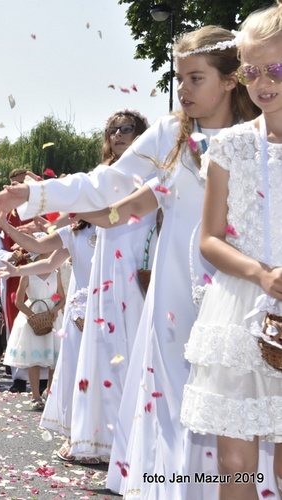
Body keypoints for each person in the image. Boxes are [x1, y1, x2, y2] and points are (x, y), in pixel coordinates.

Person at [73, 28, 262, 498]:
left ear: (230, 80)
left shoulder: (256, 139)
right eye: (180, 79)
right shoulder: (171, 138)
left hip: (239, 288)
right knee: (177, 403)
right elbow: (123, 201)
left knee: (242, 408)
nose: (183, 90)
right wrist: (52, 199)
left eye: (195, 78)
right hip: (174, 288)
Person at [0, 109, 153, 464]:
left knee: (133, 361)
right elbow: (60, 230)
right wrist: (35, 209)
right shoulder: (98, 184)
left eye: (128, 129)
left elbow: (106, 209)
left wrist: (51, 199)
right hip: (100, 294)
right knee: (98, 365)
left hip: (136, 283)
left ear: (143, 136)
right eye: (112, 130)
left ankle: (133, 445)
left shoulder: (150, 175)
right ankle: (97, 442)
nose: (119, 135)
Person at [180, 7, 282, 498]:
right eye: (253, 71)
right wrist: (260, 274)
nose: (263, 83)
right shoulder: (231, 146)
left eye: (276, 69)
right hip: (240, 306)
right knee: (234, 460)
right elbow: (210, 239)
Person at [0, 218, 96, 463]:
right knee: (77, 369)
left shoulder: (116, 223)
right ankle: (77, 435)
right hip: (80, 310)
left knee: (103, 371)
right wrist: (7, 229)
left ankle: (106, 437)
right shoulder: (74, 230)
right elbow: (43, 252)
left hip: (111, 303)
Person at [0, 168, 37, 393]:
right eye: (12, 185)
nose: (16, 189)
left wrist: (33, 251)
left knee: (43, 317)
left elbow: (56, 234)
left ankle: (44, 374)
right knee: (16, 321)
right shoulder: (2, 213)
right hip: (15, 273)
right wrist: (11, 256)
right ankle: (19, 375)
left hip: (41, 273)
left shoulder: (41, 208)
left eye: (21, 184)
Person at [2, 246, 65, 408]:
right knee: (33, 358)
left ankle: (50, 392)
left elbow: (60, 297)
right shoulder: (27, 274)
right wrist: (32, 315)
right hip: (32, 316)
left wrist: (55, 308)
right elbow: (19, 301)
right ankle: (36, 396)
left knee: (54, 358)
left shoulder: (55, 274)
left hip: (51, 316)